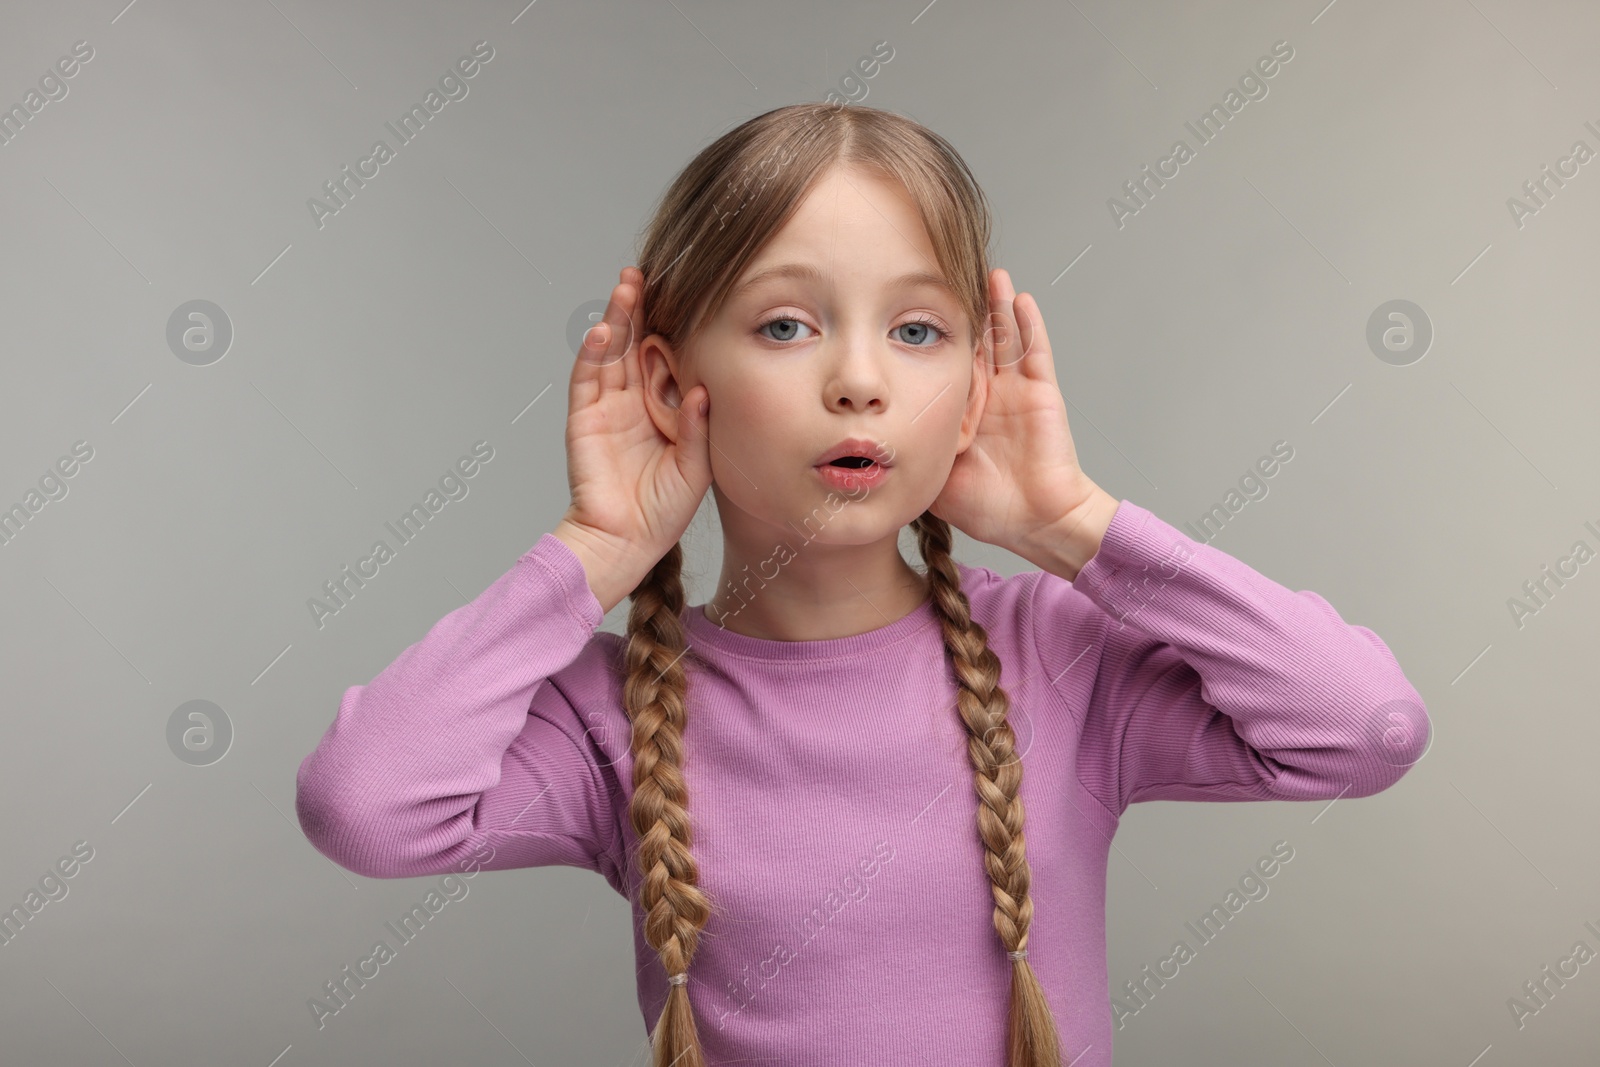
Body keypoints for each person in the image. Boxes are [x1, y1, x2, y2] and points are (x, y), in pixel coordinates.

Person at [295, 101, 1429, 1067]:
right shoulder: (614, 711)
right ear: (667, 381)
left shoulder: (1057, 657)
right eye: (786, 324)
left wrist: (1073, 523)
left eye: (918, 329)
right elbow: (365, 805)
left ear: (975, 385)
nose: (859, 380)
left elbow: (1361, 727)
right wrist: (595, 546)